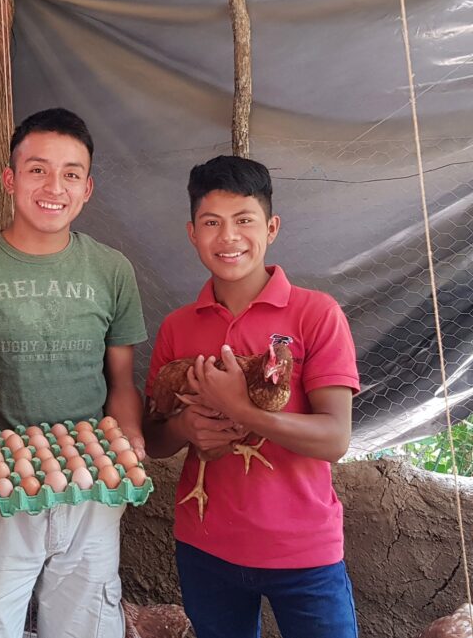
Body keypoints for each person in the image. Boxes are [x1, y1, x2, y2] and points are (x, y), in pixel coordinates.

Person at [0, 108, 147, 638]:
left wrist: (128, 439)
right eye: (38, 169)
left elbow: (122, 384)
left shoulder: (112, 270)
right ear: (9, 178)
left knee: (87, 628)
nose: (54, 186)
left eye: (70, 174)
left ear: (87, 188)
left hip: (91, 494)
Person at [143, 155, 360, 638]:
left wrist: (240, 409)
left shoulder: (315, 315)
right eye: (212, 223)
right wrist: (184, 428)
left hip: (304, 550)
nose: (229, 237)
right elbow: (154, 439)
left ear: (272, 226)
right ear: (192, 232)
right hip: (205, 545)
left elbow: (334, 439)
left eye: (244, 220)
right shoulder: (178, 326)